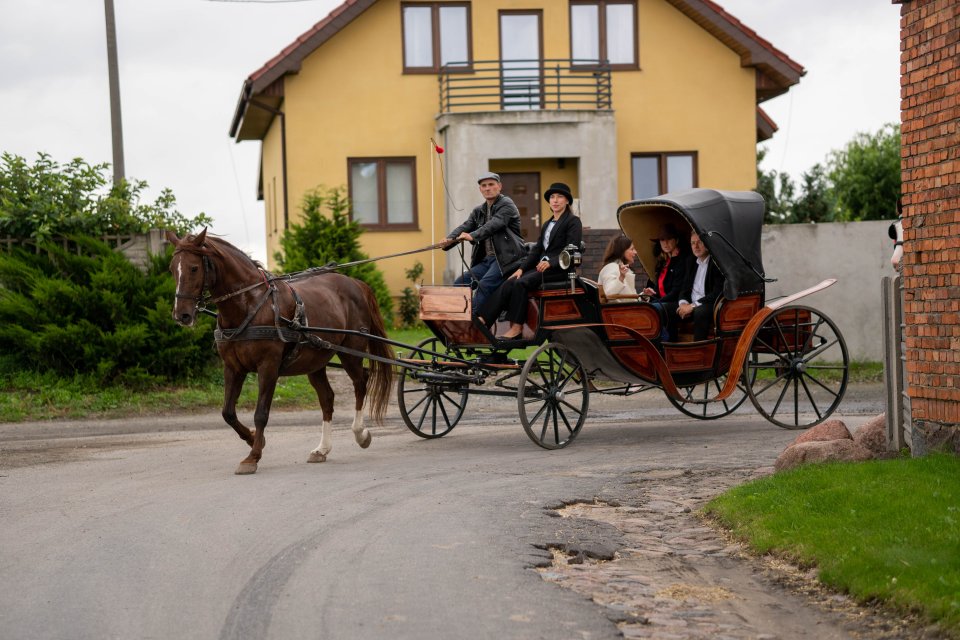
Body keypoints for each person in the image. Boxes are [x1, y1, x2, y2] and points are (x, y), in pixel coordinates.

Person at [478, 182, 583, 340]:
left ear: (567, 201)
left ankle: (516, 328)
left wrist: (551, 262)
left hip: (561, 269)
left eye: (560, 197)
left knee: (522, 283)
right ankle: (484, 319)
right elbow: (537, 250)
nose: (555, 200)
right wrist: (521, 269)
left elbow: (572, 247)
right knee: (511, 280)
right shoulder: (547, 224)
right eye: (552, 197)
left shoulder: (573, 221)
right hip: (542, 268)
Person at [442, 172, 525, 314]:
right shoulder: (479, 211)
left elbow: (493, 225)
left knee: (484, 286)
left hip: (506, 260)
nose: (487, 188)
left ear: (499, 186)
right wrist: (449, 240)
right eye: (483, 186)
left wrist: (472, 236)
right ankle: (456, 317)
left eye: (491, 185)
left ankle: (473, 321)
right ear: (480, 189)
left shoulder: (507, 205)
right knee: (460, 283)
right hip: (487, 261)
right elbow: (465, 226)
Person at [641, 222, 692, 341]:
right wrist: (652, 295)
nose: (665, 243)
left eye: (669, 239)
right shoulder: (663, 262)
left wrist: (656, 302)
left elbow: (676, 292)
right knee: (645, 308)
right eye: (662, 240)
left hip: (678, 302)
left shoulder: (683, 260)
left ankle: (664, 342)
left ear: (676, 240)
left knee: (653, 309)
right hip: (664, 302)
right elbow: (660, 290)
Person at [677, 229, 724, 340]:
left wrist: (693, 306)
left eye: (700, 242)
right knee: (664, 310)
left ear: (707, 243)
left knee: (700, 312)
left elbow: (717, 293)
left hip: (708, 303)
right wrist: (683, 304)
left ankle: (699, 349)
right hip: (690, 304)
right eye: (693, 243)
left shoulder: (716, 263)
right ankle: (666, 350)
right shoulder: (690, 261)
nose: (696, 246)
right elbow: (684, 288)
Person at [597, 233, 638, 300]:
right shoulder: (611, 268)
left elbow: (630, 298)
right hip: (622, 310)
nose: (635, 252)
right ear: (622, 251)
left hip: (629, 309)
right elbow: (609, 294)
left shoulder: (621, 268)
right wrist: (621, 278)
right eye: (632, 249)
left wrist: (645, 296)